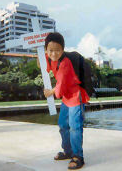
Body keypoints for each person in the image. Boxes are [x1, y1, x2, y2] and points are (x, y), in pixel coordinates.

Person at [38, 32, 89, 170]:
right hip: (67, 97)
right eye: (50, 50)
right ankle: (68, 151)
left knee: (75, 126)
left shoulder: (65, 63)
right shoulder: (49, 58)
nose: (54, 54)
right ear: (46, 50)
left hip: (76, 95)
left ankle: (78, 157)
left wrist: (50, 92)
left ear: (63, 50)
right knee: (62, 125)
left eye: (58, 50)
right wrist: (40, 60)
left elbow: (60, 88)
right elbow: (44, 65)